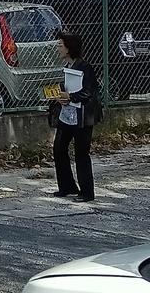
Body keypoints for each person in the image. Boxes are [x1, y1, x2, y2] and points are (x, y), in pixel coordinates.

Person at [50, 30, 103, 202]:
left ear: (69, 48)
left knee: (81, 152)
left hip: (83, 115)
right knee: (59, 147)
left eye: (60, 45)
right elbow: (67, 87)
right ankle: (67, 186)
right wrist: (61, 96)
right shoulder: (69, 66)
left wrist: (71, 97)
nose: (58, 48)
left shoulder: (85, 67)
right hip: (68, 112)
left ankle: (87, 192)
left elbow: (88, 92)